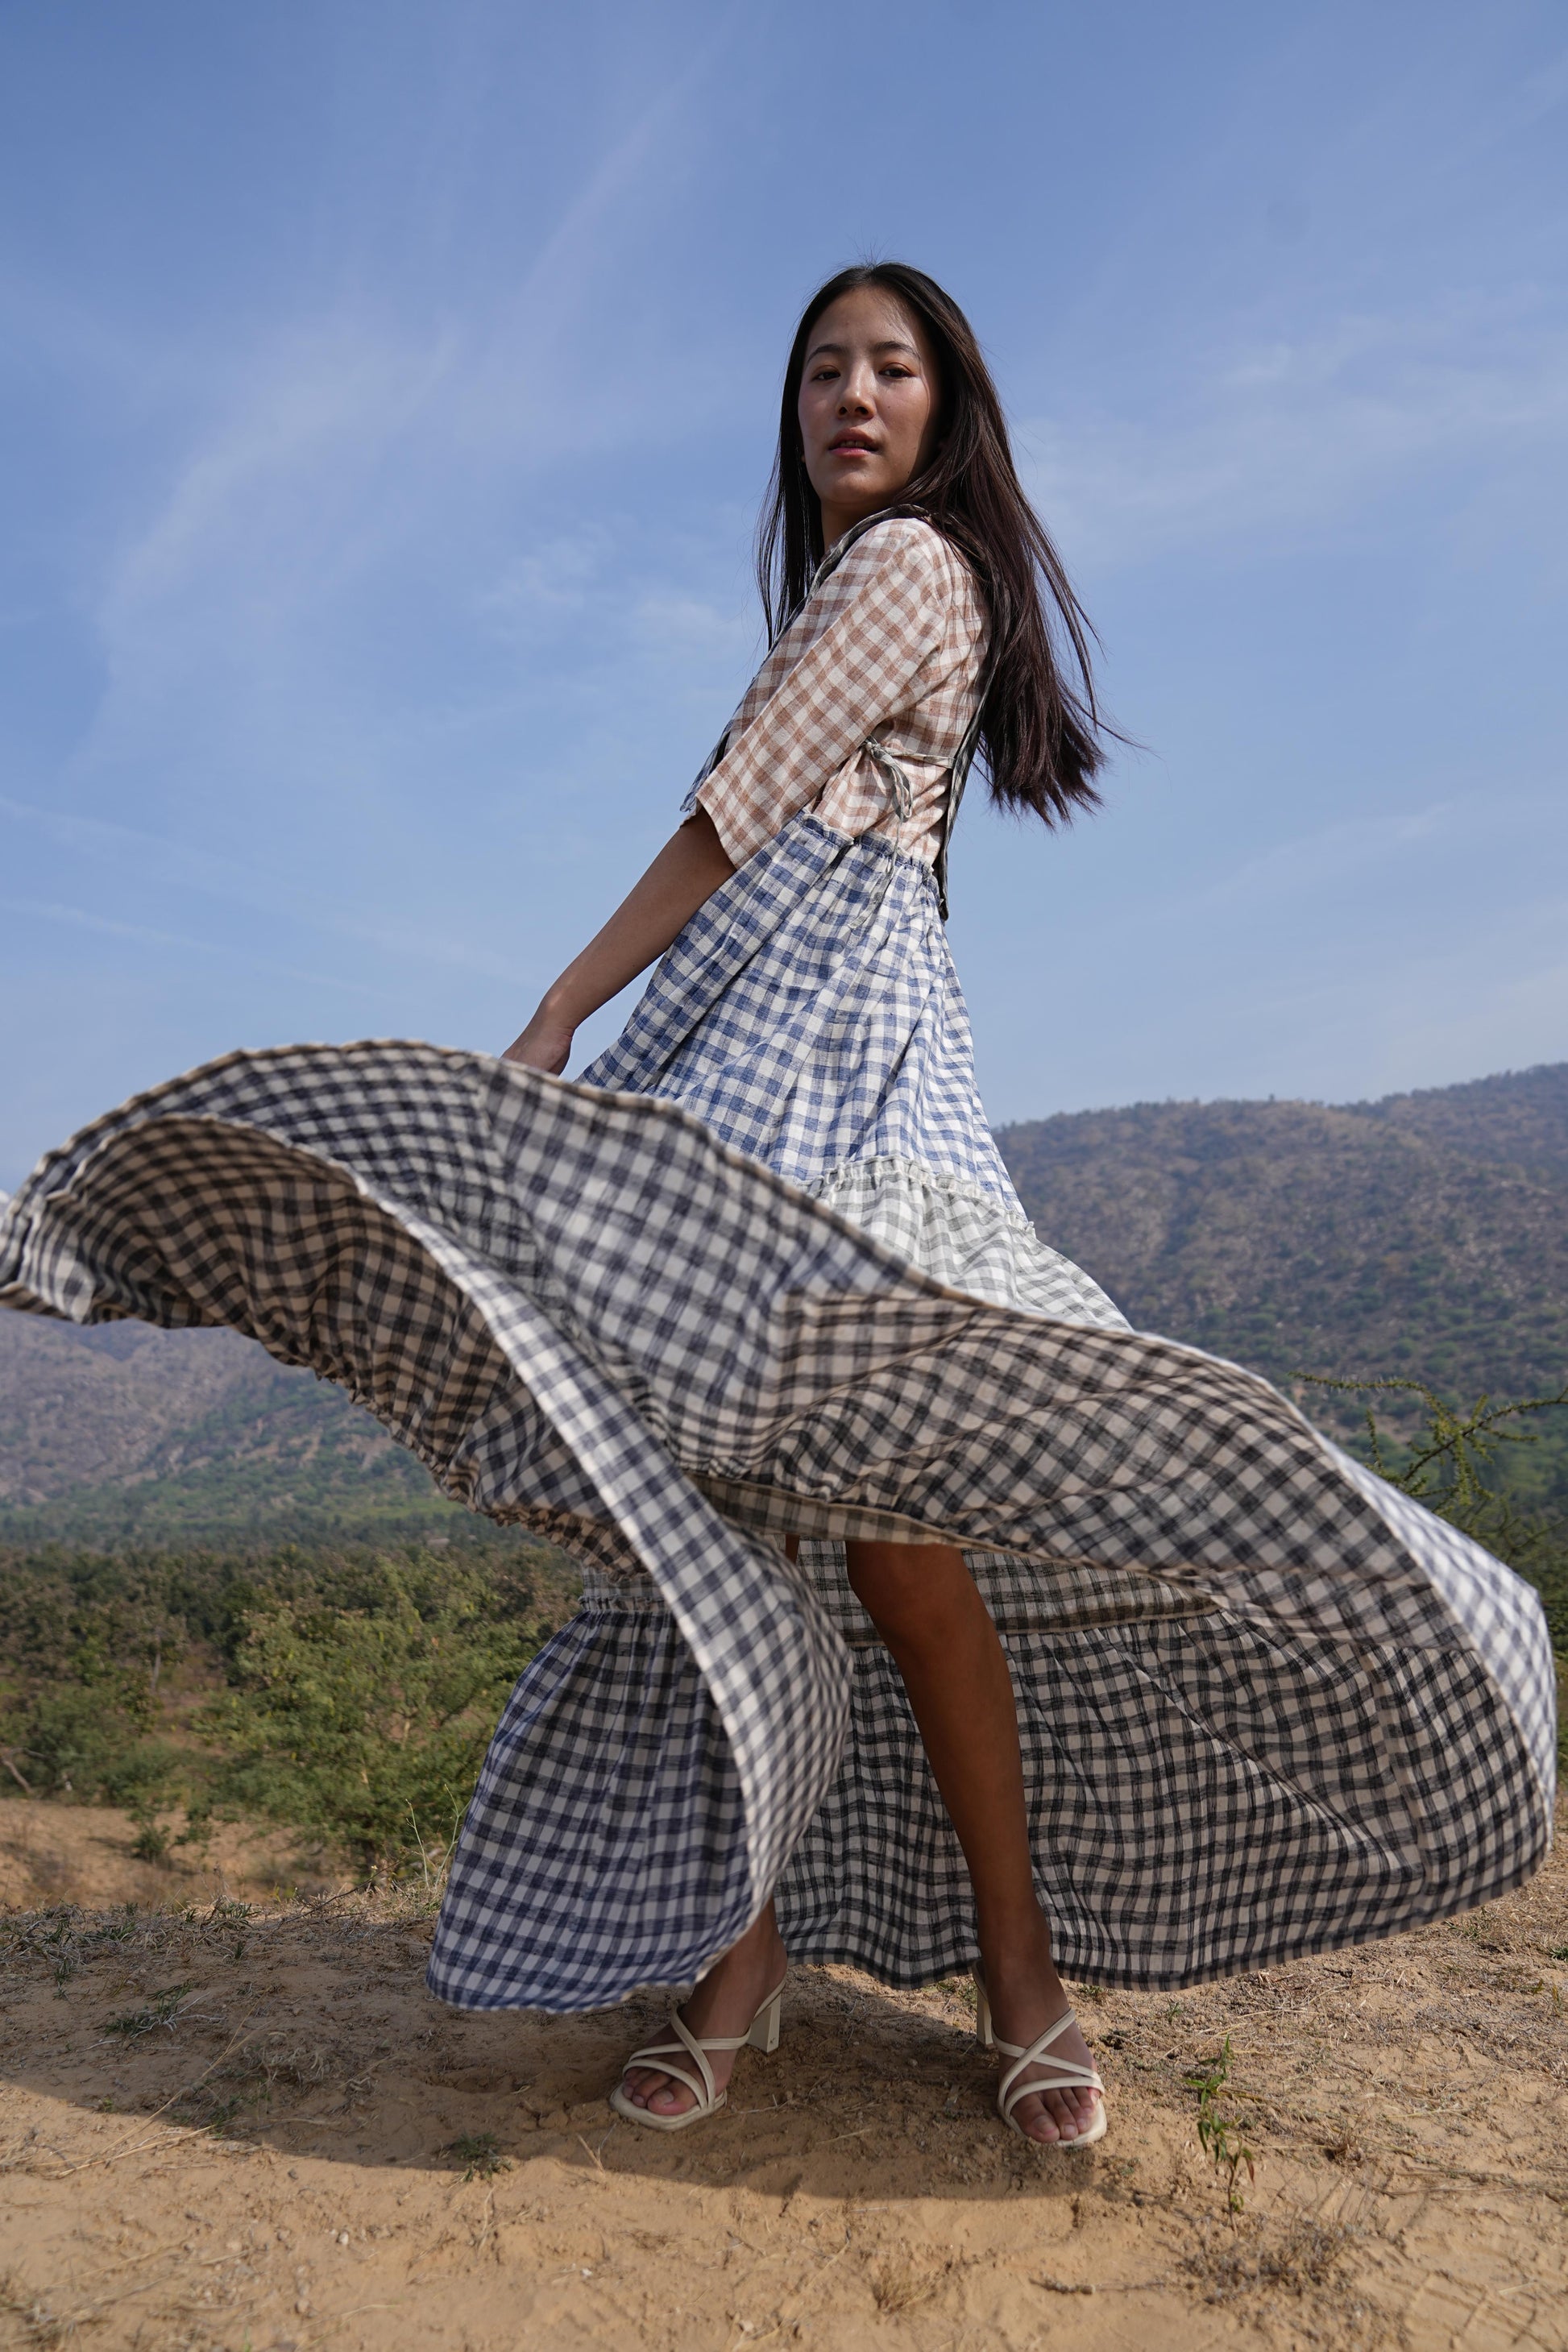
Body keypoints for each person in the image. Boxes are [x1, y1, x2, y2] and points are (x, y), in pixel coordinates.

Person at [503, 262, 1119, 2145]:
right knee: (731, 1532)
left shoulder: (909, 565)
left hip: (840, 1077)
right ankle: (745, 1957)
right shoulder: (860, 583)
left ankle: (1018, 1968)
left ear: (945, 405)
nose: (851, 394)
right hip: (764, 1058)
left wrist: (561, 1002)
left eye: (890, 366)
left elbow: (732, 811)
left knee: (895, 1541)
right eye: (822, 371)